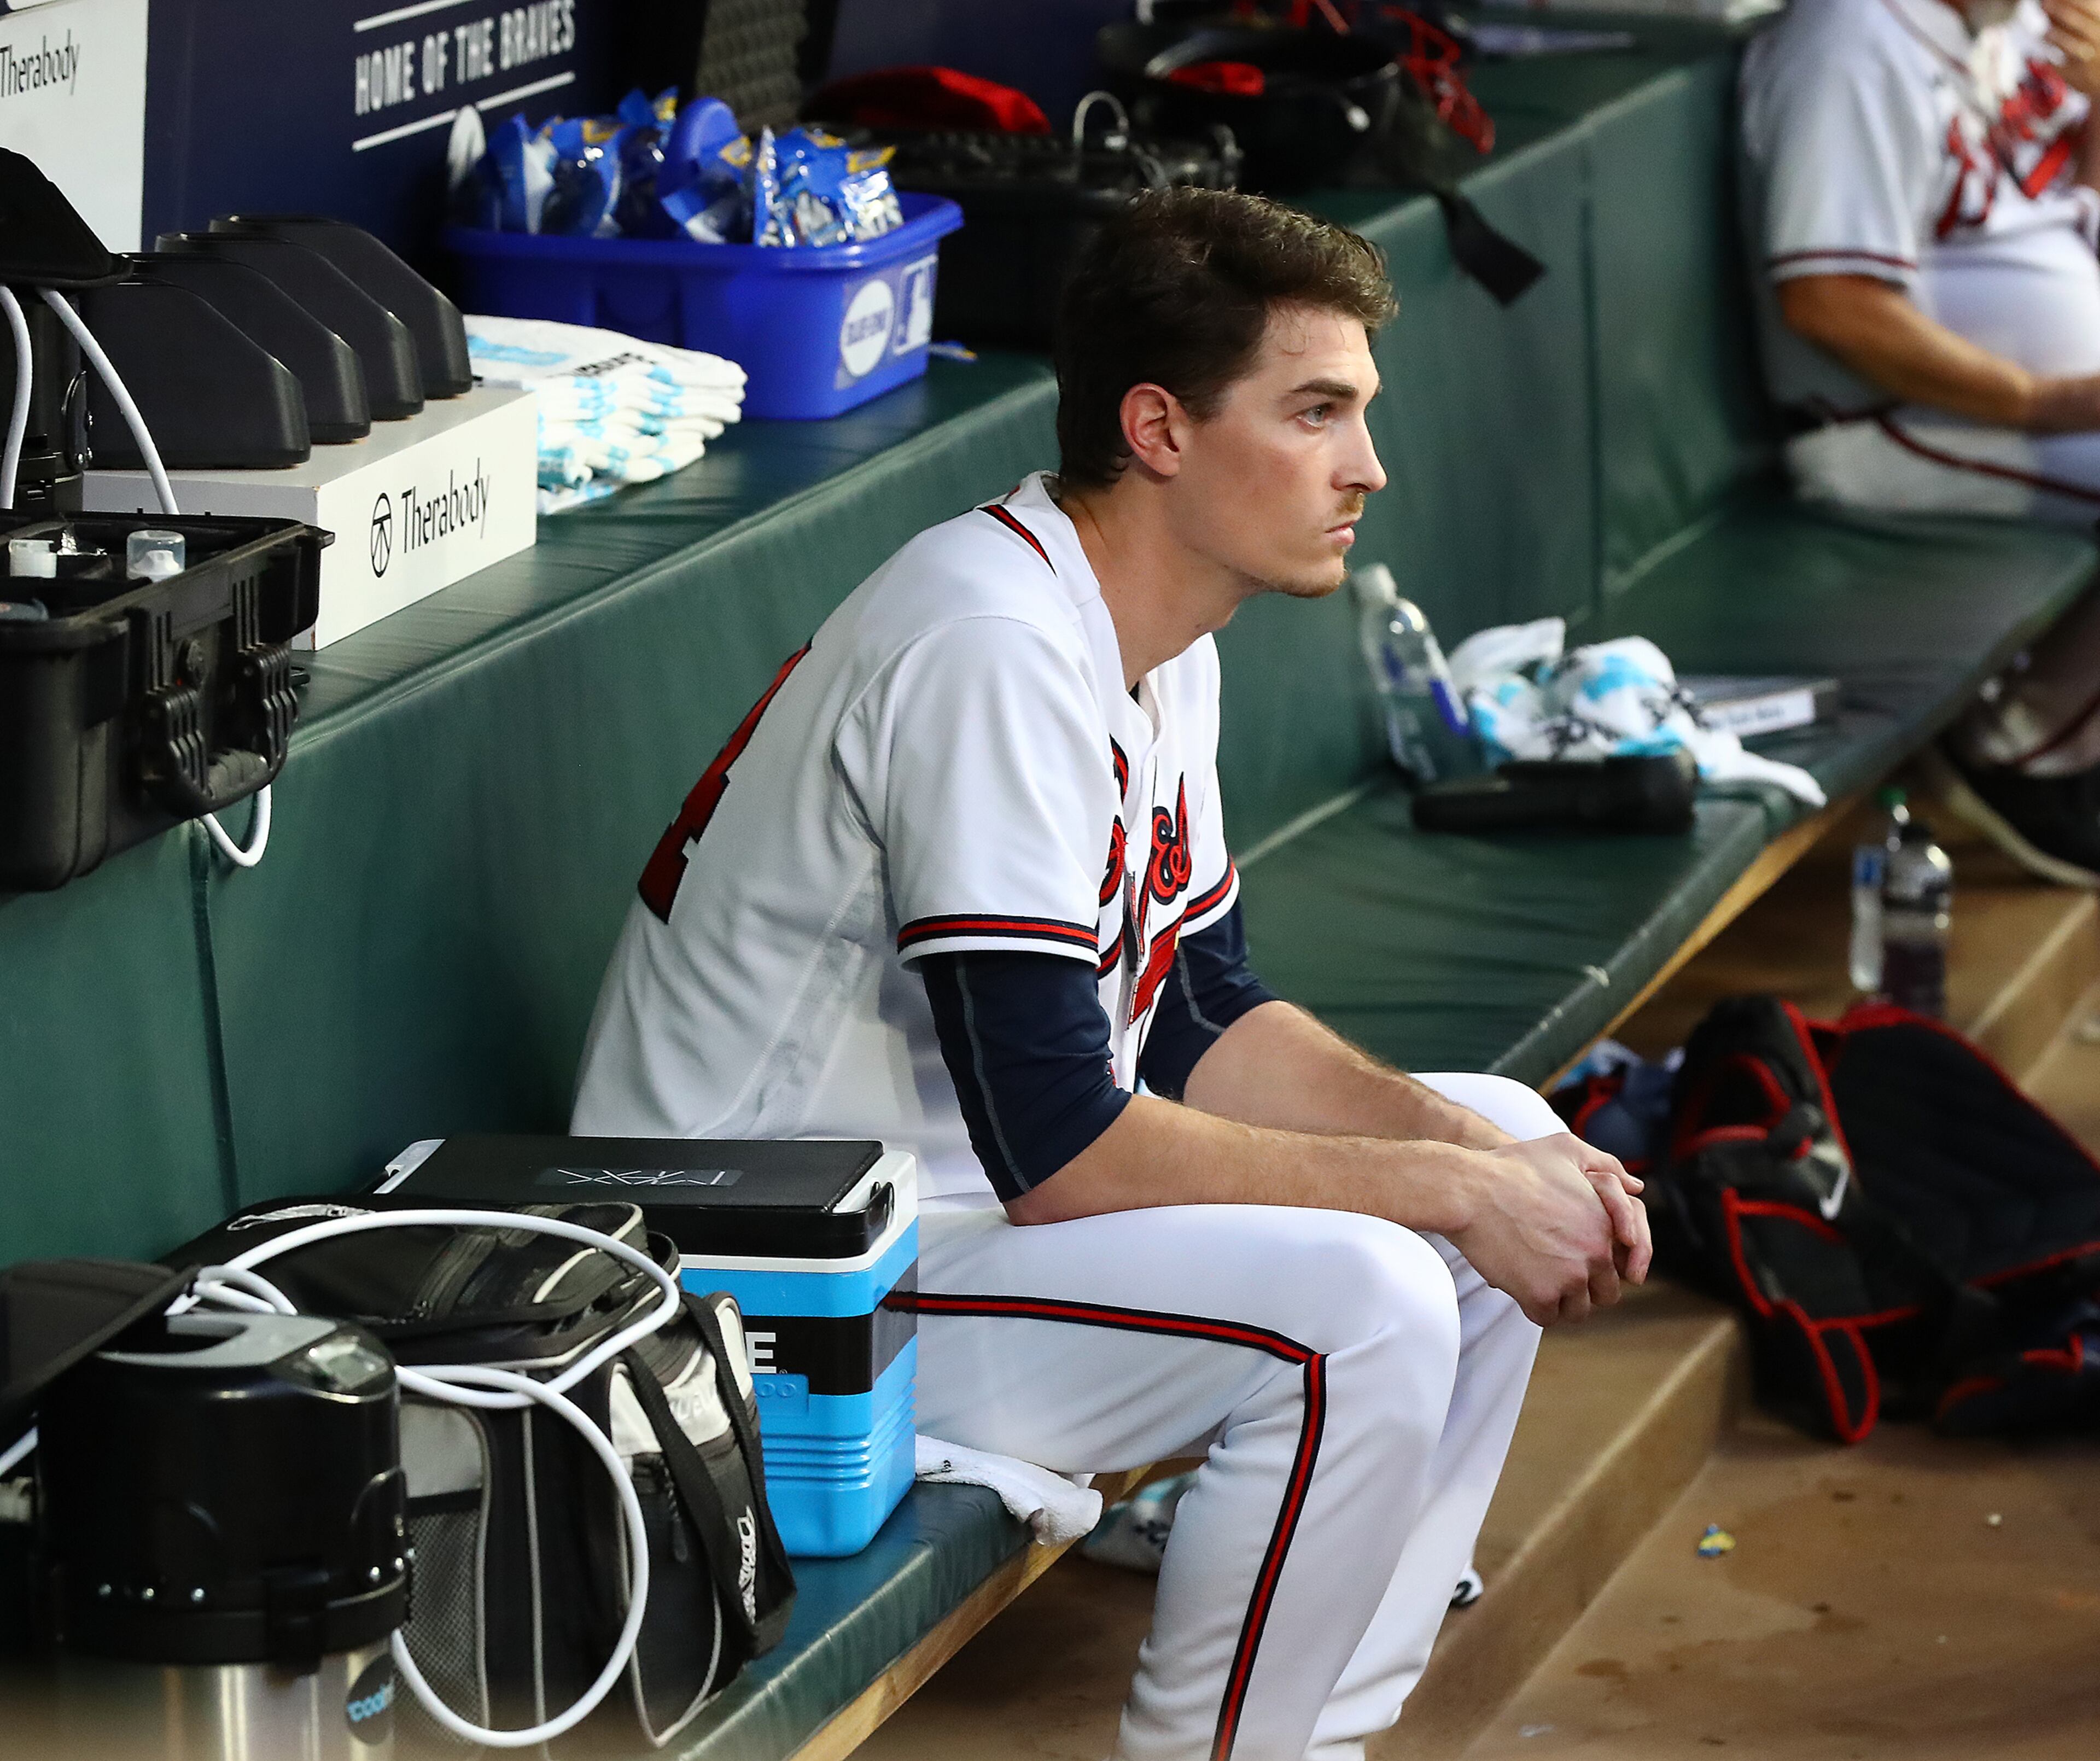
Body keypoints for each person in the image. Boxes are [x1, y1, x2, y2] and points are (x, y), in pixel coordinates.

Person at [572, 188, 1649, 1761]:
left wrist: (1488, 1162)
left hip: (927, 1224)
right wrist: (1447, 1194)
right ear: (1159, 426)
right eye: (1316, 413)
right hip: (759, 1293)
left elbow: (1204, 1014)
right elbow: (1070, 1151)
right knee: (1365, 1302)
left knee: (1491, 1130)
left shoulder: (1158, 633)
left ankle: (1322, 1723)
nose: (1368, 466)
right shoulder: (989, 639)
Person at [1742, 0, 2100, 882]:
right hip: (1893, 426)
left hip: (2028, 411)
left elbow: (2077, 210)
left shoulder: (2019, 28)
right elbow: (1832, 299)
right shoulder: (1851, 43)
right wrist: (2040, 399)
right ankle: (2024, 751)